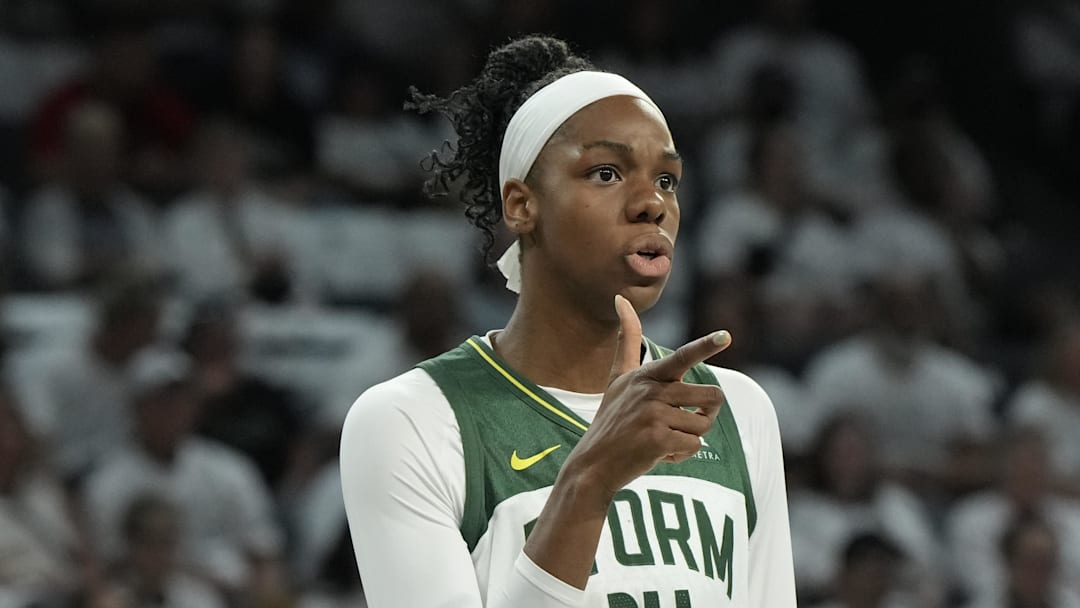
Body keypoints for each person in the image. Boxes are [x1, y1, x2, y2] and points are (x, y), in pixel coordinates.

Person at [340, 35, 795, 607]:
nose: (651, 203)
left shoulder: (736, 410)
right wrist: (589, 481)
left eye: (667, 180)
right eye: (606, 173)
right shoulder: (412, 420)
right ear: (521, 205)